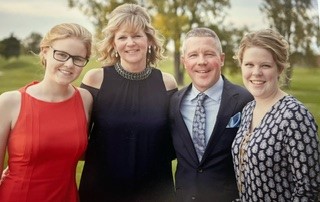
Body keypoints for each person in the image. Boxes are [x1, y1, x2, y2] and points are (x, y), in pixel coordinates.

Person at [78, 3, 178, 202]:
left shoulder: (167, 83)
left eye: (137, 36)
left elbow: (175, 143)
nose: (130, 43)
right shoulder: (95, 80)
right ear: (113, 43)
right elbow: (76, 140)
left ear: (149, 40)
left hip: (155, 191)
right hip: (102, 190)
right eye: (122, 37)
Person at [0, 23, 93, 201]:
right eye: (62, 55)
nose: (69, 64)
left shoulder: (85, 99)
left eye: (78, 58)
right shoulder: (9, 102)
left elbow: (77, 149)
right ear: (44, 51)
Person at [232, 28, 320, 201]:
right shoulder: (248, 109)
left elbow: (309, 190)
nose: (256, 72)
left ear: (279, 68)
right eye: (249, 64)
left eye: (265, 65)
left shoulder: (295, 116)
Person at [169, 27, 253, 202]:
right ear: (184, 61)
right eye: (193, 55)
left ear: (221, 59)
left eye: (209, 54)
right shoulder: (173, 103)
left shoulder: (245, 100)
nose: (201, 62)